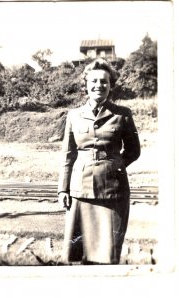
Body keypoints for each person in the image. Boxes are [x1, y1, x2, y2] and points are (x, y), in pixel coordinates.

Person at [57, 58, 140, 265]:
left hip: (113, 190)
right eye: (93, 81)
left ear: (111, 85)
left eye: (104, 81)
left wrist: (113, 166)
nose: (98, 86)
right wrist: (62, 190)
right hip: (80, 190)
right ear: (85, 84)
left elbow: (133, 150)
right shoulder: (74, 116)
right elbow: (68, 155)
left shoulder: (123, 115)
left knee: (108, 252)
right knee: (78, 253)